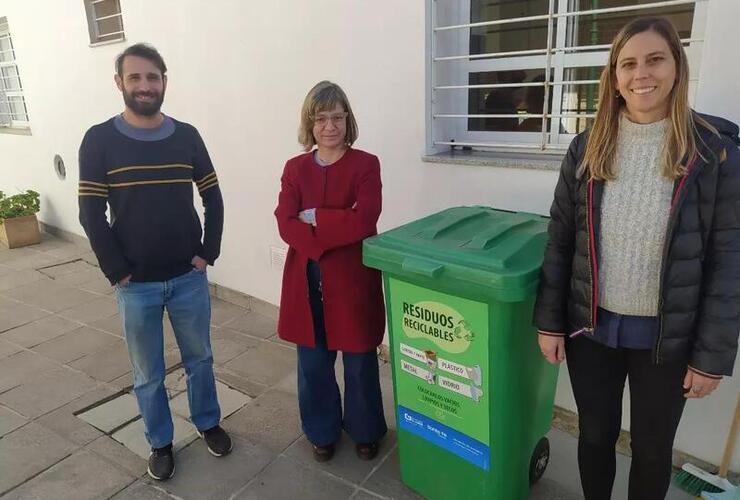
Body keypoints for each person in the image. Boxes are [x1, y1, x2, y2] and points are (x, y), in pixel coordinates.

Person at [534, 17, 740, 500]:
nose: (640, 74)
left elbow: (729, 260)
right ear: (613, 75)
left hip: (666, 341)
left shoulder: (714, 154)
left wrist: (711, 357)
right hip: (592, 331)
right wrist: (549, 322)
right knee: (595, 437)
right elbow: (561, 240)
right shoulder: (587, 148)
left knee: (651, 449)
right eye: (628, 63)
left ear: (676, 66)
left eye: (655, 59)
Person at [78, 43, 232, 481]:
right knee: (147, 373)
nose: (145, 86)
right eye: (135, 78)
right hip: (135, 285)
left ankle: (208, 423)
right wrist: (117, 269)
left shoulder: (187, 136)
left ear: (165, 81)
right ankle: (160, 443)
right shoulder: (99, 140)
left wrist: (208, 252)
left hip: (188, 277)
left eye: (153, 77)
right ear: (119, 83)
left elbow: (213, 196)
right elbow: (90, 212)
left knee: (200, 358)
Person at [274, 81, 387, 463]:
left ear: (347, 120)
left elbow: (366, 219)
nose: (330, 126)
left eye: (337, 117)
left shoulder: (365, 164)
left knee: (358, 361)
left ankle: (365, 430)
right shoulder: (294, 168)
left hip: (353, 281)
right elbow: (285, 221)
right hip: (304, 280)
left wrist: (316, 217)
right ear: (311, 123)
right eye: (321, 119)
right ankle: (321, 431)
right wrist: (329, 231)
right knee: (313, 363)